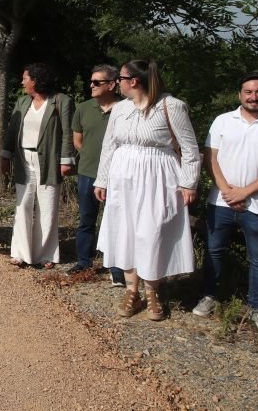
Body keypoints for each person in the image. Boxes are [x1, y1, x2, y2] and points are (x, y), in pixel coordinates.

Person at [94, 59, 200, 321]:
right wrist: (102, 179)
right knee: (126, 231)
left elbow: (189, 148)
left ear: (134, 81)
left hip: (159, 176)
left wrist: (189, 182)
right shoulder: (120, 109)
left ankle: (153, 290)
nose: (116, 83)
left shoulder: (171, 106)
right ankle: (132, 290)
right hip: (123, 175)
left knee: (152, 231)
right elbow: (109, 145)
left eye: (120, 78)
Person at [192, 73, 258, 332]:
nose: (253, 97)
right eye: (248, 92)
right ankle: (209, 297)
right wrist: (228, 191)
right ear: (240, 94)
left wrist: (244, 192)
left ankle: (256, 308)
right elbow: (211, 159)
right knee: (214, 251)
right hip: (220, 201)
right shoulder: (223, 121)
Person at [0, 62, 74, 268]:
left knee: (47, 208)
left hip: (49, 161)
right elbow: (12, 130)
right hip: (24, 160)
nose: (22, 82)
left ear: (36, 80)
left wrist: (66, 160)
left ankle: (46, 255)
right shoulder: (23, 102)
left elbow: (67, 132)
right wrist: (5, 156)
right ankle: (20, 253)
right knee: (22, 206)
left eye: (25, 78)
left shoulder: (61, 102)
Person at [70, 64, 126, 286]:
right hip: (87, 174)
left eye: (97, 82)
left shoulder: (126, 110)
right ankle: (83, 262)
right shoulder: (83, 108)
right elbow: (77, 139)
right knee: (86, 220)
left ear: (112, 85)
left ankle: (116, 267)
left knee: (116, 222)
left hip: (118, 177)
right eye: (91, 81)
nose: (91, 85)